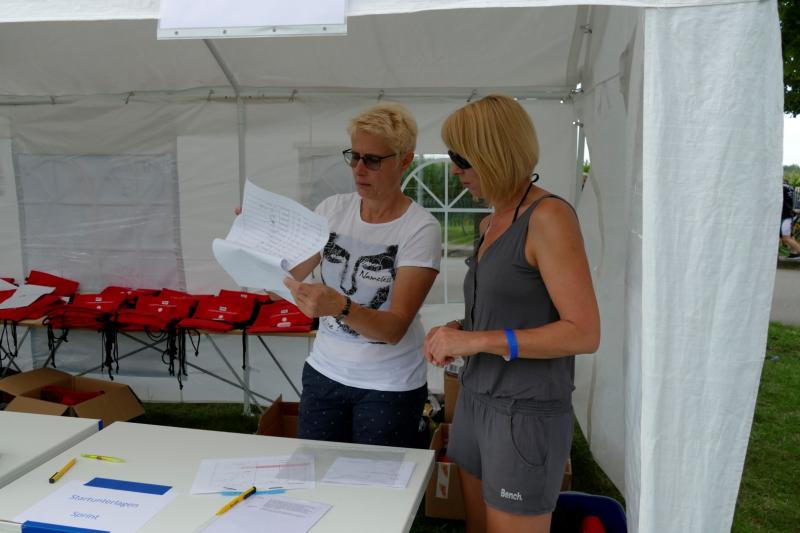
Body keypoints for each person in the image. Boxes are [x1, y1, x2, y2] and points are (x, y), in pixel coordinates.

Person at [424, 95, 600, 533]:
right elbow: (511, 310)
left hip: (523, 413)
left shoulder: (548, 217)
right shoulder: (491, 222)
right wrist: (459, 330)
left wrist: (476, 340)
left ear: (494, 154)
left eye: (461, 159)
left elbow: (583, 332)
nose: (454, 171)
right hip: (475, 399)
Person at [283, 102, 441, 448]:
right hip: (325, 373)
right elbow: (286, 274)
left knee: (376, 480)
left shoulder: (420, 228)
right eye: (354, 156)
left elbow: (394, 329)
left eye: (372, 160)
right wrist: (255, 238)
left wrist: (340, 307)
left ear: (405, 160)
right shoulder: (332, 209)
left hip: (389, 385)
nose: (358, 169)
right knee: (316, 473)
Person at [781, 179, 800, 259]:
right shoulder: (791, 188)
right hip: (792, 215)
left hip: (785, 215)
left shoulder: (781, 187)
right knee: (789, 236)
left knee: (786, 238)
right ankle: (794, 252)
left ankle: (797, 251)